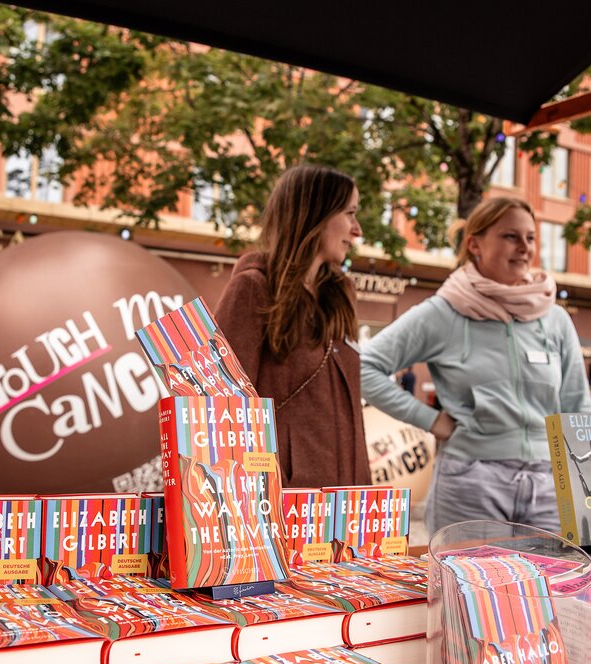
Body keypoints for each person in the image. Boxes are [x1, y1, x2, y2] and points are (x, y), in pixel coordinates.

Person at [360, 195, 591, 536]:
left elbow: (576, 406)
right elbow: (365, 366)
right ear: (475, 244)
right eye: (510, 236)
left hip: (549, 489)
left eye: (530, 238)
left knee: (546, 590)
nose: (524, 247)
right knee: (468, 589)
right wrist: (431, 420)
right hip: (470, 485)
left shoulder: (553, 318)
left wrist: (581, 491)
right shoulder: (444, 313)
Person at [214, 164, 371, 487]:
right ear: (315, 215)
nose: (356, 229)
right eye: (349, 213)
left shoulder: (340, 295)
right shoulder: (253, 288)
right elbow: (224, 410)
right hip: (282, 502)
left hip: (347, 500)